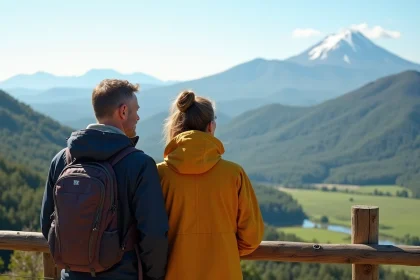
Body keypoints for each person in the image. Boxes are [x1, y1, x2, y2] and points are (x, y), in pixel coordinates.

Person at [40, 79, 169, 280]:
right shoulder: (140, 164)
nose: (138, 117)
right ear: (123, 111)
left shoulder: (62, 160)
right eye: (136, 110)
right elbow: (153, 236)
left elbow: (47, 223)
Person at [156, 90, 264, 280]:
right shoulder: (234, 174)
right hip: (225, 272)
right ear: (211, 126)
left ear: (176, 127)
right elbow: (251, 238)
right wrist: (224, 249)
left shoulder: (159, 174)